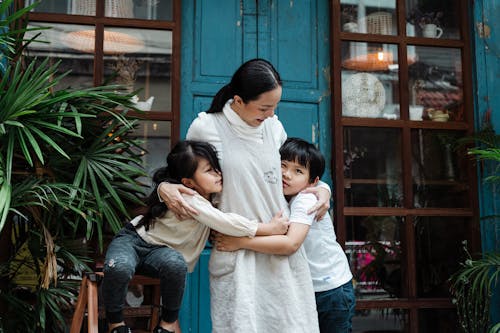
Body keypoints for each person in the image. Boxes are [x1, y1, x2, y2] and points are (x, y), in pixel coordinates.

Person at [158, 59, 331, 332]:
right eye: (264, 108)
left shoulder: (274, 129)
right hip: (234, 254)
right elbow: (182, 178)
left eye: (275, 106)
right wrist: (164, 188)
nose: (272, 114)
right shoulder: (208, 127)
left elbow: (294, 175)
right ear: (238, 100)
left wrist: (323, 189)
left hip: (278, 251)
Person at [101, 140, 289, 333]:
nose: (218, 174)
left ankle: (166, 325)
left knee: (176, 264)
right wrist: (269, 228)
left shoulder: (213, 198)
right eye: (209, 171)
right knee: (119, 268)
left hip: (161, 252)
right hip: (133, 240)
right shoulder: (189, 197)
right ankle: (116, 325)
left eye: (217, 168)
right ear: (188, 182)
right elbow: (225, 221)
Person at [214, 137, 356, 333]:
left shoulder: (305, 199)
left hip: (331, 289)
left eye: (298, 171)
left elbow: (291, 244)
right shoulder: (283, 196)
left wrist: (240, 242)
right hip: (308, 289)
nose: (287, 174)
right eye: (283, 165)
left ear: (312, 182)